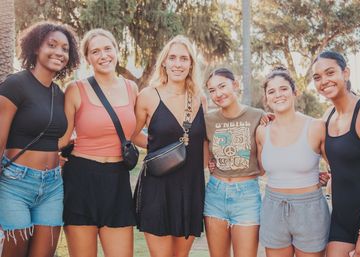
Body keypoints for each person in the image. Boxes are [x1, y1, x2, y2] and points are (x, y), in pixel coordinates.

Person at [60, 28, 145, 257]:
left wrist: (174, 144)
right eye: (95, 51)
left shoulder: (132, 88)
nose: (103, 55)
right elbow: (62, 140)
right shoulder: (75, 90)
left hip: (117, 180)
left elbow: (135, 134)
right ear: (87, 58)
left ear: (117, 51)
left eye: (108, 49)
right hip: (80, 179)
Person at [0, 21, 79, 257]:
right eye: (52, 45)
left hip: (52, 187)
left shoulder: (60, 94)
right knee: (15, 249)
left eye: (65, 49)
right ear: (36, 48)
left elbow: (56, 138)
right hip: (15, 183)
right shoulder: (15, 85)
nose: (59, 52)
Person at [133, 35, 206, 257]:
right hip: (158, 187)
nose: (177, 63)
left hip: (191, 187)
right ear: (163, 62)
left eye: (184, 58)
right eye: (172, 57)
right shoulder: (148, 95)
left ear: (191, 64)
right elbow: (132, 134)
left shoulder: (200, 98)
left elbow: (204, 139)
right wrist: (161, 150)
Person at [312, 50, 360, 257]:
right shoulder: (328, 116)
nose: (324, 81)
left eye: (330, 73)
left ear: (345, 73)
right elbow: (338, 164)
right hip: (341, 220)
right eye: (317, 77)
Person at [256, 67, 330, 257]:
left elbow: (337, 167)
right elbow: (260, 170)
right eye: (271, 91)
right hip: (273, 207)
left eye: (283, 89)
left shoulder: (316, 127)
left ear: (294, 92)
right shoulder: (262, 131)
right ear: (266, 99)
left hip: (310, 210)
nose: (278, 95)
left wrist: (326, 177)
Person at [204, 68, 265, 257]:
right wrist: (211, 162)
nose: (218, 94)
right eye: (212, 90)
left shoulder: (258, 116)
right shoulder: (207, 120)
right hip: (215, 194)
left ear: (235, 85)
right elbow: (203, 157)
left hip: (247, 196)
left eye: (222, 86)